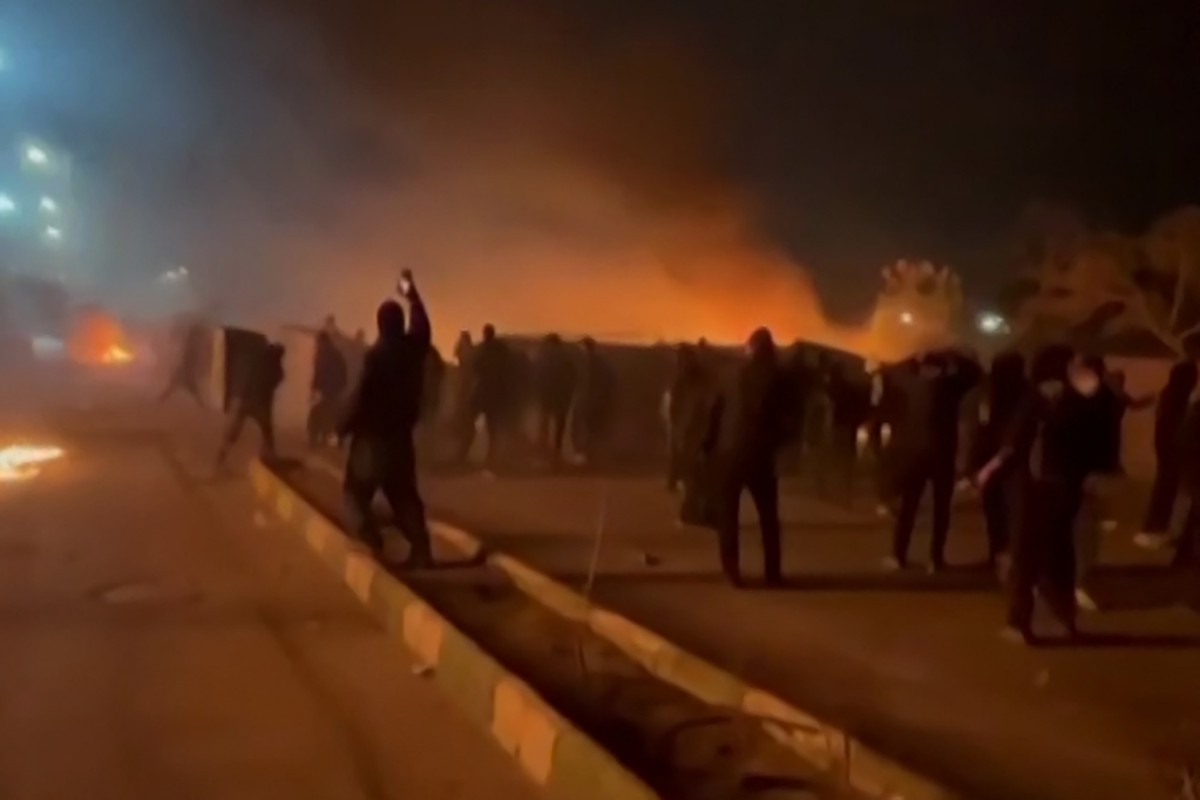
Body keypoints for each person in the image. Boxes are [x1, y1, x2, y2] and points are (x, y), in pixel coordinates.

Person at [976, 347, 1105, 644]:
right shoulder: (1082, 399)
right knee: (1061, 552)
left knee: (1025, 554)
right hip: (1067, 486)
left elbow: (1014, 442)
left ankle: (1019, 624)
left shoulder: (1034, 398)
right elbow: (1093, 444)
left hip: (1032, 486)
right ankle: (1066, 620)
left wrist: (987, 471)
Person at [337, 270, 433, 566]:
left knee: (354, 494)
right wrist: (412, 294)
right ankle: (421, 552)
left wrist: (342, 427)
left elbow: (362, 397)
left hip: (373, 439)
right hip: (401, 437)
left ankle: (371, 542)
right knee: (403, 494)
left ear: (379, 325)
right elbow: (423, 326)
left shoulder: (377, 356)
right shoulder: (413, 349)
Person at [705, 327, 788, 587]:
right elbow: (786, 418)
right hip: (761, 454)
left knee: (728, 514)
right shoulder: (777, 378)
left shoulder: (731, 374)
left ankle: (732, 571)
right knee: (768, 517)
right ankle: (772, 573)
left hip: (729, 452)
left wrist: (708, 447)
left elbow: (715, 413)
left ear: (749, 348)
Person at [886, 349, 982, 572]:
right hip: (942, 454)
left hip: (914, 455)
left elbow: (895, 368)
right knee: (941, 509)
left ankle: (898, 554)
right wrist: (953, 352)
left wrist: (914, 352)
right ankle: (935, 558)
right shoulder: (949, 387)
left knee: (909, 507)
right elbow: (974, 373)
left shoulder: (910, 385)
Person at [968, 350, 1028, 571]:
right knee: (1005, 514)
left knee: (1000, 514)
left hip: (1000, 463)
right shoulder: (1021, 393)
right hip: (1008, 463)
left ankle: (1003, 557)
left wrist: (979, 468)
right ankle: (1003, 556)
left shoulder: (994, 394)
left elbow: (985, 432)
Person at [1135, 361, 1199, 550]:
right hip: (1174, 449)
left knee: (1166, 487)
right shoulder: (1179, 398)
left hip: (1166, 447)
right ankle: (1162, 527)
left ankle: (1157, 525)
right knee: (1173, 489)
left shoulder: (1170, 394)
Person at [216, 341, 285, 467]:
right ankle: (270, 457)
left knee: (232, 432)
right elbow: (276, 380)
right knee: (267, 432)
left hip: (243, 399)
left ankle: (220, 461)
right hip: (258, 403)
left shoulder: (254, 357)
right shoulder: (274, 364)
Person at [456, 324, 510, 468]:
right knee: (491, 426)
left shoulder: (483, 349)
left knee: (471, 421)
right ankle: (489, 456)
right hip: (494, 392)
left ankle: (464, 452)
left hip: (483, 390)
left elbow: (475, 368)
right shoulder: (501, 350)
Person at [826, 360, 872, 504]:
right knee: (847, 459)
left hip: (840, 425)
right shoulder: (855, 386)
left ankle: (839, 490)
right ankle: (846, 490)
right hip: (849, 426)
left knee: (838, 457)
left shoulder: (838, 387)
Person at [666, 344, 710, 491]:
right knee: (680, 452)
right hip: (689, 420)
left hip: (690, 421)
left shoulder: (686, 375)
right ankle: (677, 480)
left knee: (683, 452)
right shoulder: (692, 374)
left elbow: (679, 398)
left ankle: (679, 481)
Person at [533, 333, 577, 466]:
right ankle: (556, 454)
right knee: (559, 428)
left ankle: (544, 453)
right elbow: (572, 377)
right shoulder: (566, 357)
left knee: (544, 425)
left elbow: (537, 375)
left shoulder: (543, 357)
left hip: (547, 396)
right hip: (562, 397)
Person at [572, 337, 615, 466]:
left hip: (589, 401)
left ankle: (585, 456)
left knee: (585, 428)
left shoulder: (588, 362)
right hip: (597, 401)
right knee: (594, 430)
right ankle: (592, 456)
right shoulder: (600, 361)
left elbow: (587, 383)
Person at [307, 330, 349, 447]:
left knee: (319, 413)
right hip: (330, 390)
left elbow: (320, 372)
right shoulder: (333, 353)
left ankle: (316, 438)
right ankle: (320, 438)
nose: (317, 344)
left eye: (318, 342)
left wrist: (315, 388)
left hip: (328, 390)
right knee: (325, 414)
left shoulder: (327, 354)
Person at [159, 322, 208, 405]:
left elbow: (190, 360)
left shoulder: (191, 345)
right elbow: (188, 359)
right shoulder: (191, 346)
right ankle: (159, 401)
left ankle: (159, 401)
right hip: (184, 372)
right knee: (173, 389)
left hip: (184, 372)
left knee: (192, 392)